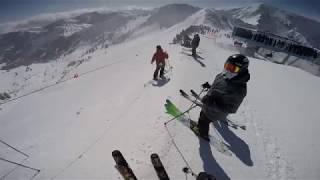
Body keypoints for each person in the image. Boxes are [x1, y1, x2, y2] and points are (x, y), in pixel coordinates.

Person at [197, 54, 250, 140]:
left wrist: (212, 103)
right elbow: (220, 87)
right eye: (227, 66)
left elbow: (231, 108)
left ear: (241, 70)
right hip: (208, 105)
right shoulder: (224, 75)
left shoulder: (239, 89)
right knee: (202, 114)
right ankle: (201, 127)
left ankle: (203, 134)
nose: (228, 70)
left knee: (203, 120)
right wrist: (210, 86)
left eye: (233, 69)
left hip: (215, 111)